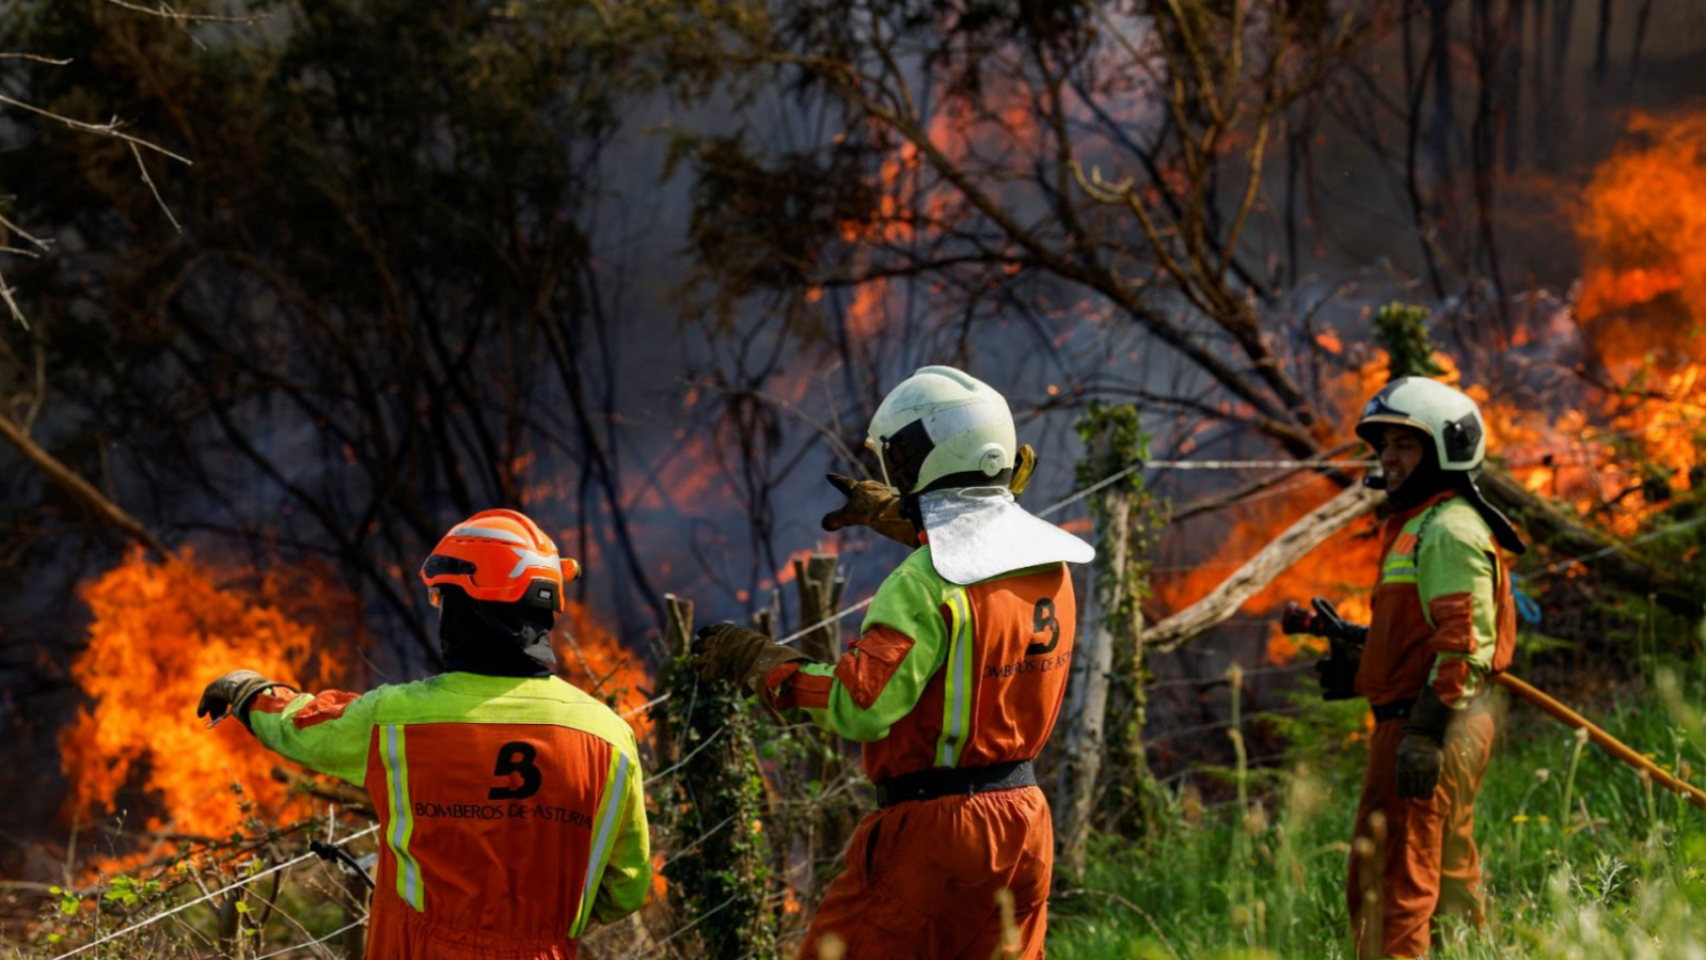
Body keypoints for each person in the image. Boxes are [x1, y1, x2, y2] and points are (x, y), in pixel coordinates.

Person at [691, 365, 1094, 960]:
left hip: (936, 835)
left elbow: (862, 707)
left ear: (920, 458)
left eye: (900, 462)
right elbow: (980, 567)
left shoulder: (919, 584)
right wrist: (903, 515)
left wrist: (765, 666)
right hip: (1026, 824)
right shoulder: (1049, 565)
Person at [197, 509, 650, 960]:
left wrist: (251, 692)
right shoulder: (609, 736)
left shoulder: (395, 718)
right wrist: (540, 932)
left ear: (467, 606)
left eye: (443, 599)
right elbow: (627, 887)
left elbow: (300, 728)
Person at [1284, 377, 1524, 960]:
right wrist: (1371, 664)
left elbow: (1464, 645)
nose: (1387, 457)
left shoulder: (1446, 529)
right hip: (1429, 720)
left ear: (1447, 450)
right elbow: (1424, 631)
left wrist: (1423, 733)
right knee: (1446, 879)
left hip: (1429, 727)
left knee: (1392, 885)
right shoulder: (1421, 525)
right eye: (1383, 444)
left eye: (1405, 445)